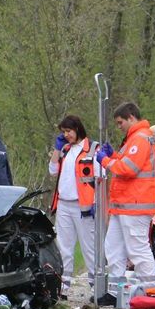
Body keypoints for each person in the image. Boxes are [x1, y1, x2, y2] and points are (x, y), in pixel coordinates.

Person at [97, 102, 155, 295]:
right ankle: (116, 291)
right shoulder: (134, 139)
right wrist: (114, 155)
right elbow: (128, 162)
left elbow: (129, 169)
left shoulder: (140, 138)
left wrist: (106, 161)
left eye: (120, 122)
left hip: (135, 204)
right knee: (113, 249)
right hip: (124, 205)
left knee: (137, 250)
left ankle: (149, 291)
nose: (119, 127)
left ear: (131, 117)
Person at [48, 115, 98, 297]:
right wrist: (57, 149)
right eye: (63, 132)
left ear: (77, 129)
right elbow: (52, 171)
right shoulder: (65, 150)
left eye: (68, 131)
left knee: (89, 247)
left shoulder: (92, 149)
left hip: (84, 206)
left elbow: (100, 178)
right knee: (64, 247)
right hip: (64, 204)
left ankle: (96, 287)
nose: (66, 135)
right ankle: (63, 286)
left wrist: (97, 203)